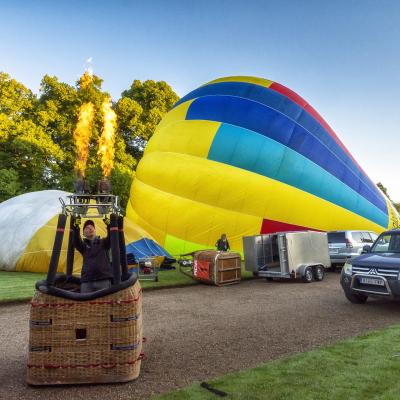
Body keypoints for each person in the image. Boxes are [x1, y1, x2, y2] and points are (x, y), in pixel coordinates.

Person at [73, 218, 113, 293]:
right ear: (84, 233)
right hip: (87, 281)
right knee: (85, 303)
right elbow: (76, 240)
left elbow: (112, 237)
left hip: (103, 279)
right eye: (87, 228)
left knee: (105, 303)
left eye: (92, 227)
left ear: (95, 231)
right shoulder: (83, 246)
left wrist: (110, 226)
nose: (90, 228)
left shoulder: (103, 243)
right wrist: (76, 227)